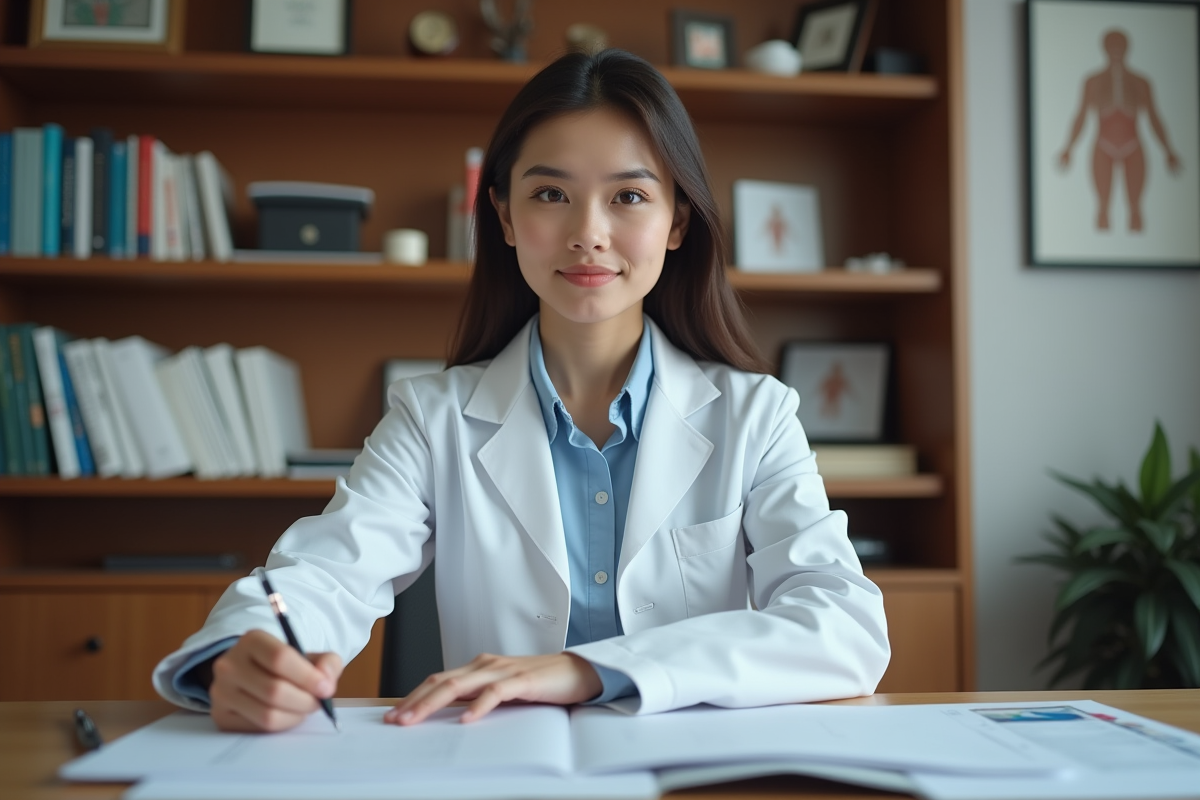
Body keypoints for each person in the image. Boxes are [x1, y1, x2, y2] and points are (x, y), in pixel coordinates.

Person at [152, 48, 890, 733]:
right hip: (497, 767)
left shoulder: (756, 416)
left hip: (685, 772)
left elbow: (844, 627)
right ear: (504, 215)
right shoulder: (431, 417)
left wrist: (587, 671)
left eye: (629, 196)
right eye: (551, 193)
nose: (588, 233)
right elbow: (325, 575)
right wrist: (244, 655)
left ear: (677, 222)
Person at [1058, 29, 1182, 232]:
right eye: (1112, 45)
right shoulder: (1093, 81)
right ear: (1105, 48)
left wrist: (1168, 150)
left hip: (1133, 145)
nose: (1116, 49)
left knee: (1136, 210)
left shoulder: (1141, 82)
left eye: (1120, 45)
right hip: (1103, 146)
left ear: (1127, 48)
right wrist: (1068, 148)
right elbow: (1080, 116)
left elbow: (1154, 118)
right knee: (1102, 209)